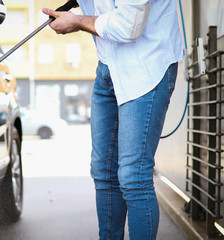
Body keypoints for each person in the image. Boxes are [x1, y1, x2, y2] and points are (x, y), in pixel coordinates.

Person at [43, 0, 183, 239]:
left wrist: (77, 21)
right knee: (103, 171)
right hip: (108, 67)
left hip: (146, 67)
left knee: (133, 176)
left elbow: (129, 26)